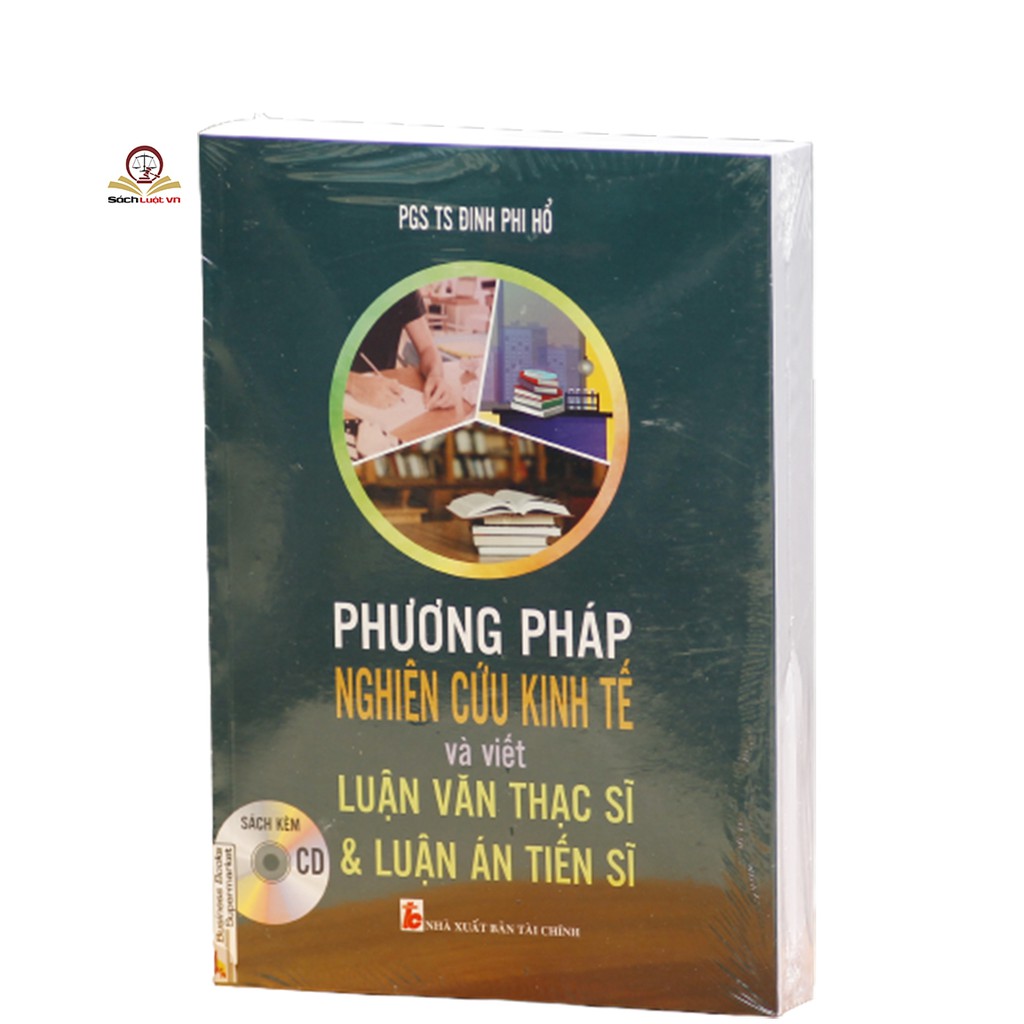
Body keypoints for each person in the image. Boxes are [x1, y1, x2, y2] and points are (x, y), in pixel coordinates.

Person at [346, 290, 459, 410]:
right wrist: (354, 384)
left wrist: (436, 376)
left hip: (384, 393)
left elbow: (427, 348)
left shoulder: (404, 289)